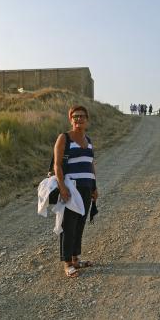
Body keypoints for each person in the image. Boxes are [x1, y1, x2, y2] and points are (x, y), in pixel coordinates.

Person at [54, 105, 98, 278]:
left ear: (87, 120)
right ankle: (67, 263)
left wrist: (95, 187)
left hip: (87, 187)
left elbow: (91, 165)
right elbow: (57, 164)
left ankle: (75, 259)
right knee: (68, 225)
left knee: (80, 223)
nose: (78, 119)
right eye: (75, 116)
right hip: (71, 187)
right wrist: (62, 188)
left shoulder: (88, 140)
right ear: (70, 119)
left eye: (82, 116)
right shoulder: (64, 138)